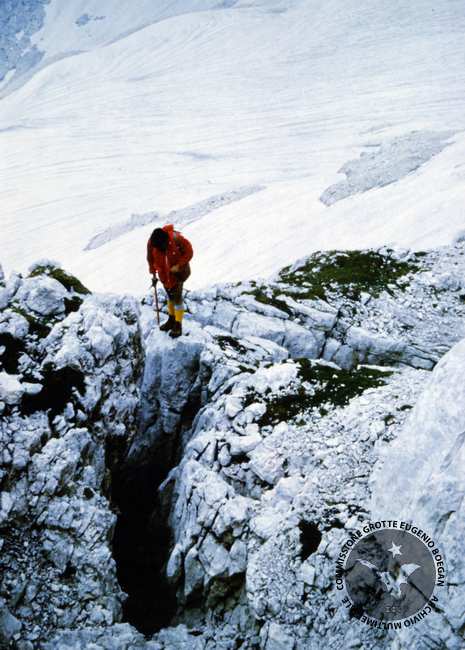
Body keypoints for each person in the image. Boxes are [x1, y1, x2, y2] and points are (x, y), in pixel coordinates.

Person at [147, 224, 193, 338]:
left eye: (161, 247)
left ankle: (178, 324)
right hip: (164, 275)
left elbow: (189, 252)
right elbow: (150, 258)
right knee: (170, 296)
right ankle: (171, 319)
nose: (160, 249)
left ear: (166, 240)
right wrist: (153, 273)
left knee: (177, 298)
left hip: (177, 274)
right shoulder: (153, 243)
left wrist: (179, 265)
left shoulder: (176, 239)